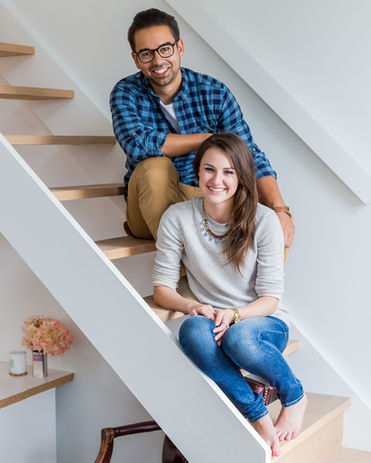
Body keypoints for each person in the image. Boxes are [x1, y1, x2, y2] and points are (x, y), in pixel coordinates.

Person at [152, 133, 307, 456]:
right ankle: (258, 415)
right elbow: (163, 289)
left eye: (228, 172)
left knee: (238, 339)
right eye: (209, 170)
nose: (216, 180)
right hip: (211, 321)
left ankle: (294, 395)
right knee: (191, 329)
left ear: (241, 177)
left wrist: (235, 315)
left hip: (260, 324)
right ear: (197, 172)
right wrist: (193, 305)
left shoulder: (264, 220)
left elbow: (270, 299)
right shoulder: (177, 218)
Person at [110, 8, 294, 252]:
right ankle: (188, 277)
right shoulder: (125, 92)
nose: (157, 61)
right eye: (146, 54)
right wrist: (209, 140)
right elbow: (138, 145)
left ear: (180, 48)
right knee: (155, 166)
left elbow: (247, 152)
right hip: (148, 206)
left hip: (206, 199)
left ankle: (264, 289)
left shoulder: (214, 92)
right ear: (136, 59)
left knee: (273, 215)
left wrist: (279, 208)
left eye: (165, 49)